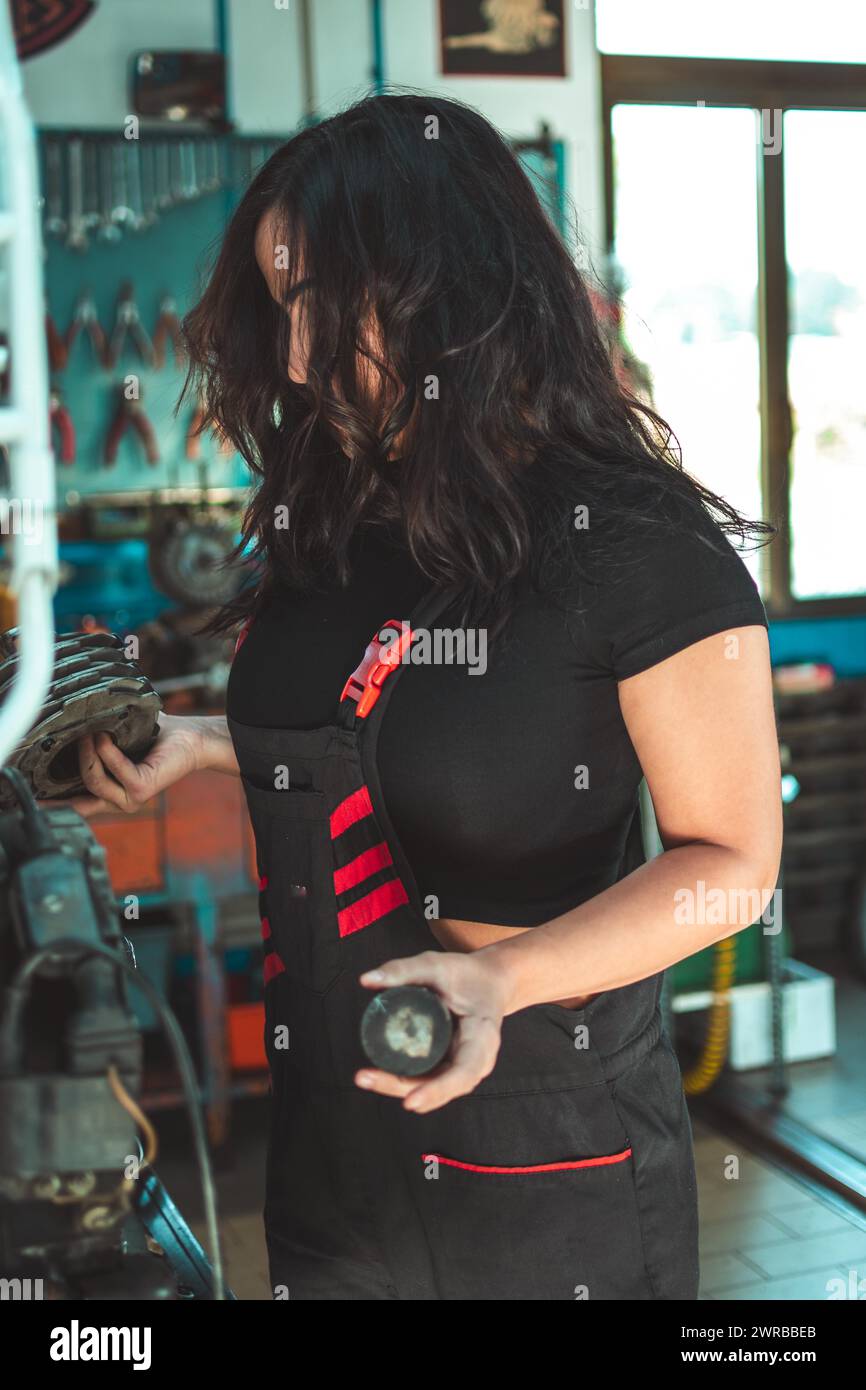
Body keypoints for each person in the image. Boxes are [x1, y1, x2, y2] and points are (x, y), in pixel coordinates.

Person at [75, 94, 781, 1301]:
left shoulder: (632, 543)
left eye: (314, 304)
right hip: (330, 1154)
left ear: (437, 281)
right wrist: (198, 742)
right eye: (278, 307)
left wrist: (503, 979)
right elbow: (377, 734)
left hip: (542, 1163)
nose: (293, 356)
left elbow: (731, 861)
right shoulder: (341, 520)